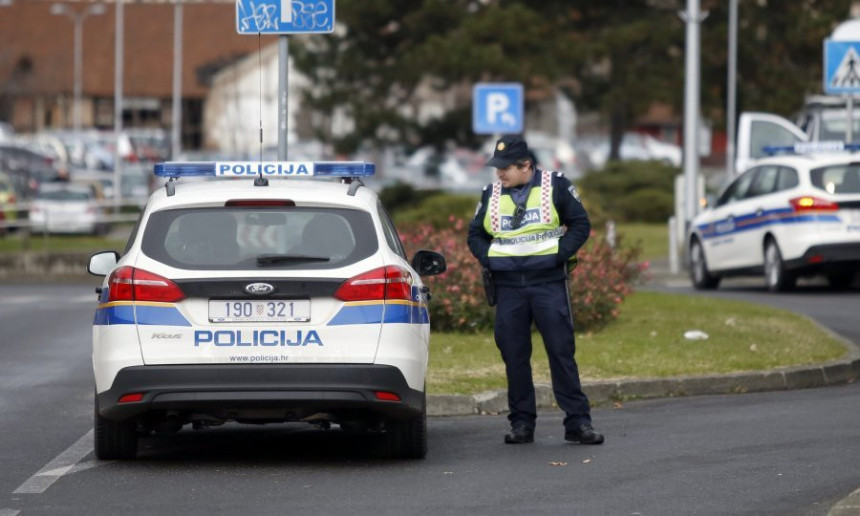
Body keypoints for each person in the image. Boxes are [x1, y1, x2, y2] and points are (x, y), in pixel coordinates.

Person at [467, 134, 603, 445]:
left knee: (561, 353)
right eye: (497, 167)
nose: (500, 173)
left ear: (526, 165)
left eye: (506, 168)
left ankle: (578, 422)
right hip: (509, 288)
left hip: (547, 284)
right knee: (514, 357)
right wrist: (487, 257)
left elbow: (580, 224)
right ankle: (522, 424)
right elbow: (475, 234)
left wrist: (558, 255)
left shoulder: (555, 185)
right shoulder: (491, 193)